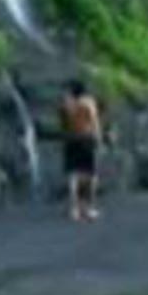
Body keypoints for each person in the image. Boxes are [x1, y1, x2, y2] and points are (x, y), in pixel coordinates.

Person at [59, 79, 103, 222]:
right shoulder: (88, 103)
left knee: (73, 174)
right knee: (91, 174)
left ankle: (74, 209)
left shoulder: (66, 104)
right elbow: (94, 121)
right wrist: (98, 139)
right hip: (86, 139)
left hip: (71, 139)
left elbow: (62, 123)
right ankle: (89, 208)